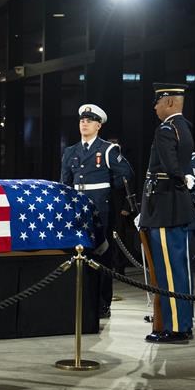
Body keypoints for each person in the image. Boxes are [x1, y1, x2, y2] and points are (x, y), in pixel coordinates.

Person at [60, 103, 133, 318]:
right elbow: (65, 181)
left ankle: (102, 304)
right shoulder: (70, 151)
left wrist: (109, 194)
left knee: (102, 256)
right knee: (79, 254)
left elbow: (126, 174)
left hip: (100, 211)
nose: (84, 123)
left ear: (98, 125)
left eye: (89, 120)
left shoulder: (107, 150)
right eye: (82, 120)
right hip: (77, 210)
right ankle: (81, 301)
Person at [136, 83, 195, 343]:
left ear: (169, 103)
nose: (155, 106)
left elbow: (171, 167)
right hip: (178, 207)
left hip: (164, 208)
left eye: (158, 102)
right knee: (181, 271)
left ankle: (175, 328)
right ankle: (184, 321)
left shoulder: (165, 130)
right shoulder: (184, 127)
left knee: (168, 272)